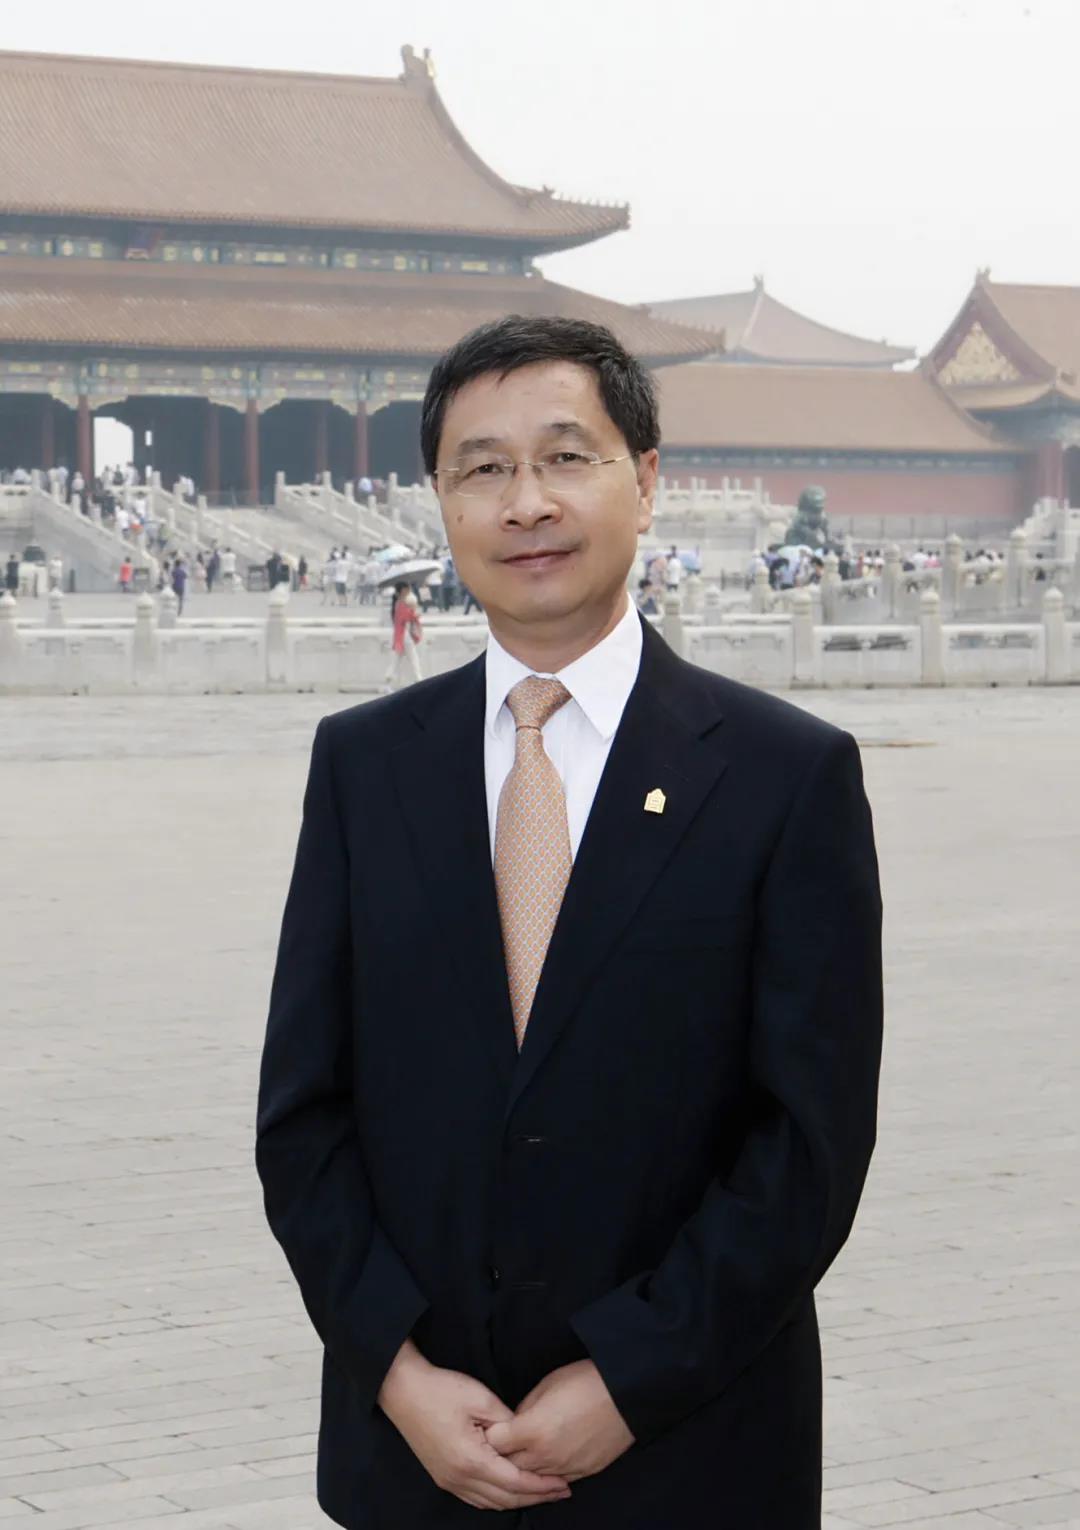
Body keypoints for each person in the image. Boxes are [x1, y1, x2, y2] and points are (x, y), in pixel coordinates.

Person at [256, 315, 883, 1530]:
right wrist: (396, 1371)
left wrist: (631, 1378)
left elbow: (807, 1146)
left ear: (644, 482)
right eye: (482, 469)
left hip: (691, 1453)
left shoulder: (783, 775)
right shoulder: (365, 765)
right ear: (440, 501)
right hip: (417, 1458)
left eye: (564, 458)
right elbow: (303, 1115)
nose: (526, 503)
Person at [381, 580, 424, 692]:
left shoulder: (399, 604)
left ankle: (387, 683)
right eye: (407, 589)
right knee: (413, 659)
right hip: (404, 636)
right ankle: (419, 680)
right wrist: (414, 612)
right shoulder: (401, 604)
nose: (409, 591)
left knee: (396, 661)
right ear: (403, 590)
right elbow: (407, 618)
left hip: (400, 635)